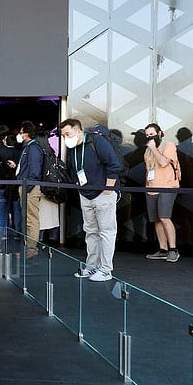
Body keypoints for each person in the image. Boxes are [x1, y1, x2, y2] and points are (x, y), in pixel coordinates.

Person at [60, 118, 122, 282]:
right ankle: (92, 266)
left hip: (102, 193)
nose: (66, 137)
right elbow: (73, 169)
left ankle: (106, 269)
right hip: (85, 194)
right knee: (91, 232)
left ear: (78, 130)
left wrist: (108, 189)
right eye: (64, 135)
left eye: (68, 133)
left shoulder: (97, 142)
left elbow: (113, 164)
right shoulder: (73, 148)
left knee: (107, 231)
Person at [142, 123, 180, 262]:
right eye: (147, 135)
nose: (149, 137)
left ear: (159, 133)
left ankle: (173, 249)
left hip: (167, 187)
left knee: (164, 217)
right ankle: (163, 249)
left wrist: (153, 148)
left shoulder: (168, 146)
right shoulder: (147, 151)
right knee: (156, 220)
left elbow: (164, 162)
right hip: (151, 188)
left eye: (152, 134)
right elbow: (148, 169)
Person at [14, 121, 43, 260]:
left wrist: (28, 188)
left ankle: (32, 249)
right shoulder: (27, 148)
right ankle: (27, 248)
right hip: (26, 187)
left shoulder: (33, 148)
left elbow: (35, 171)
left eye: (20, 132)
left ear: (26, 133)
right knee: (27, 219)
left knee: (31, 220)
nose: (19, 135)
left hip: (29, 188)